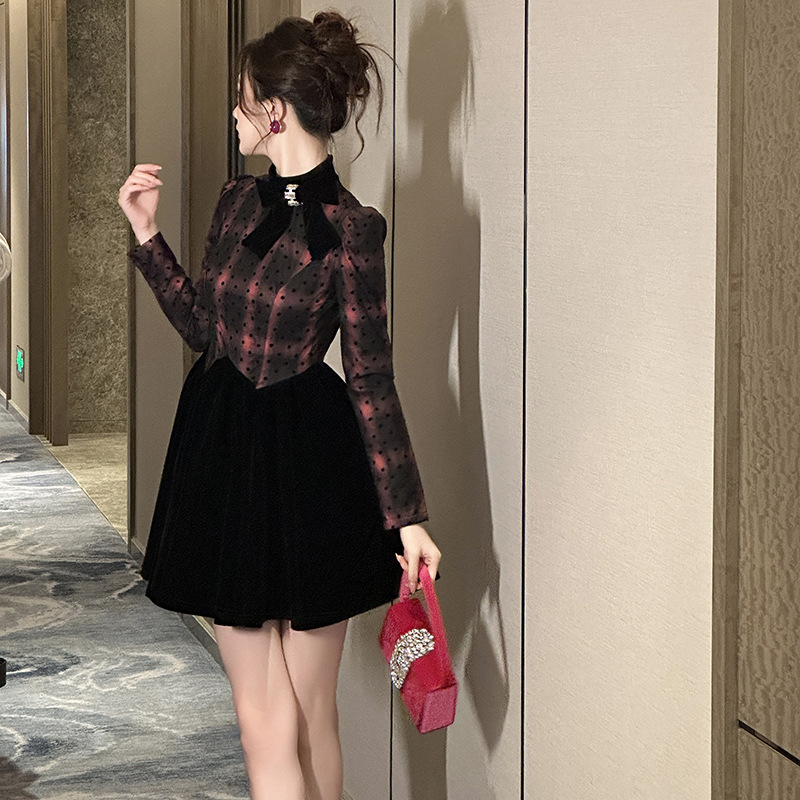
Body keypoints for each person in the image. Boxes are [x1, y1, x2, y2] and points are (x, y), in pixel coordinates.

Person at [117, 10, 442, 800]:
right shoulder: (235, 202)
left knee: (310, 718)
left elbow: (370, 375)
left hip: (311, 467)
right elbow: (203, 327)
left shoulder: (354, 229)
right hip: (224, 456)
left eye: (242, 95)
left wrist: (407, 518)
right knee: (262, 721)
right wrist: (147, 236)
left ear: (274, 110)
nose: (232, 111)